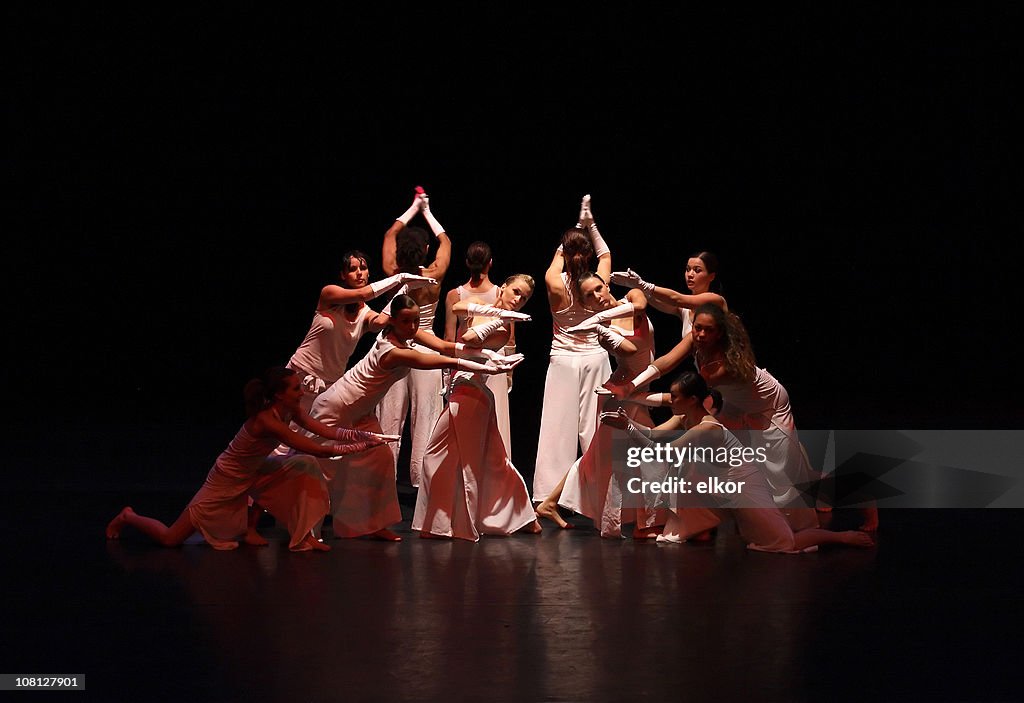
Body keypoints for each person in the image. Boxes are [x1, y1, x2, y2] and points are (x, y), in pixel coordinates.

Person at [105, 367, 391, 552]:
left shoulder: (290, 410)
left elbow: (324, 430)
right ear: (279, 395)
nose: (302, 392)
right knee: (171, 539)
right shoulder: (268, 421)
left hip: (256, 471)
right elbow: (318, 448)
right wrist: (364, 445)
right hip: (227, 478)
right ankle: (128, 516)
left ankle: (304, 535)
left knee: (304, 466)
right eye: (296, 388)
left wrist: (362, 435)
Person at [309, 292, 521, 541]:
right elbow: (443, 361)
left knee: (380, 459)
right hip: (336, 407)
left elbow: (444, 346)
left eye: (416, 321)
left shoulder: (406, 334)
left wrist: (489, 354)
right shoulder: (392, 352)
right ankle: (307, 532)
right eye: (406, 322)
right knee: (323, 469)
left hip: (361, 411)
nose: (412, 327)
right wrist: (487, 367)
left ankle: (371, 524)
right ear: (392, 321)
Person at [603, 372, 873, 551]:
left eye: (675, 397)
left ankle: (843, 537)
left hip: (744, 486)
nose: (670, 401)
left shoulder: (706, 427)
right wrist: (627, 421)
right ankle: (699, 526)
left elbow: (660, 452)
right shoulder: (687, 418)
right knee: (761, 538)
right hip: (727, 488)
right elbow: (654, 435)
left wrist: (628, 427)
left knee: (784, 543)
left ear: (692, 399)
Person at [535, 273, 667, 538]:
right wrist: (599, 325)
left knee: (600, 455)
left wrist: (596, 319)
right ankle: (643, 523)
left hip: (637, 388)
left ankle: (550, 502)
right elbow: (630, 350)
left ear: (607, 286)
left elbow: (640, 305)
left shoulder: (630, 297)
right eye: (589, 296)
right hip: (621, 392)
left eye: (599, 288)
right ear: (586, 304)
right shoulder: (605, 331)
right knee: (635, 455)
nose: (597, 296)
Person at [413, 274, 539, 540]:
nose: (519, 300)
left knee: (445, 457)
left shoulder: (504, 328)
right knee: (492, 460)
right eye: (516, 292)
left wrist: (501, 318)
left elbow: (470, 337)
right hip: (465, 390)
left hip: (471, 393)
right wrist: (496, 312)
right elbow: (457, 307)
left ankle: (448, 524)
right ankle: (523, 516)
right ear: (503, 288)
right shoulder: (489, 310)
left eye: (525, 298)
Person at [532, 195, 614, 501]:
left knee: (556, 428)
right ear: (586, 255)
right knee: (595, 427)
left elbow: (559, 257)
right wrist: (591, 225)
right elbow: (605, 254)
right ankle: (600, 491)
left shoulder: (554, 282)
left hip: (564, 360)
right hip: (594, 358)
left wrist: (578, 225)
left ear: (565, 254)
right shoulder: (597, 283)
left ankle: (548, 493)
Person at [286, 249, 435, 415]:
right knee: (284, 425)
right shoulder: (329, 293)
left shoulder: (365, 312)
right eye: (352, 269)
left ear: (368, 273)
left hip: (329, 382)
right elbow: (362, 294)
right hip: (300, 372)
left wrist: (403, 290)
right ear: (343, 275)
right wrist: (399, 278)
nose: (359, 273)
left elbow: (380, 322)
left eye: (363, 268)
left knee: (315, 428)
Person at [376, 189, 452, 487]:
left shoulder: (391, 273)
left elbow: (389, 234)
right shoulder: (434, 275)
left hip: (394, 347)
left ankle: (383, 482)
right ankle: (423, 484)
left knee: (389, 419)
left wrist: (413, 207)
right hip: (425, 347)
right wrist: (427, 210)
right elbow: (446, 241)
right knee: (426, 418)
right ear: (425, 251)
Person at [443, 241, 517, 456]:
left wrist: (446, 373)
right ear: (490, 263)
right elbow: (510, 338)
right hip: (495, 360)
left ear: (467, 263)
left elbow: (448, 337)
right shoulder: (502, 293)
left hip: (466, 359)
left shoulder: (454, 295)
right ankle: (497, 465)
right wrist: (510, 373)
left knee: (466, 414)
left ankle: (466, 463)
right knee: (496, 415)